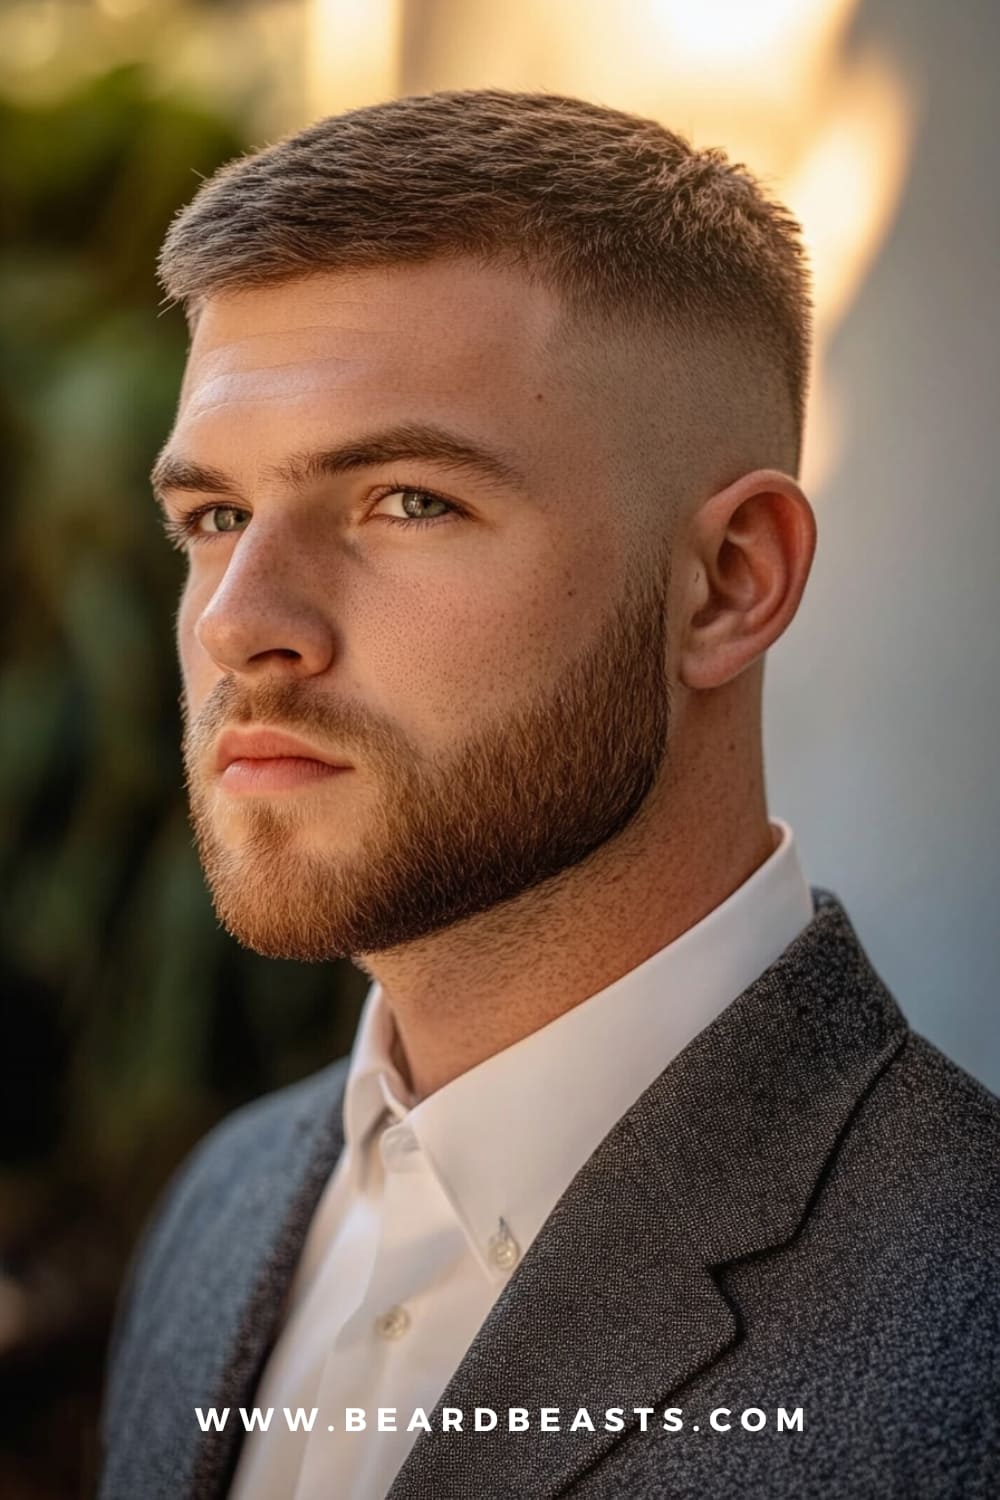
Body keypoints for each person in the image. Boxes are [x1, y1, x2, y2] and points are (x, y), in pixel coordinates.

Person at [96, 90, 999, 1500]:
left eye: (406, 500)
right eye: (214, 517)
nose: (239, 622)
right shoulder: (218, 1216)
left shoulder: (972, 1326)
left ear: (730, 583)